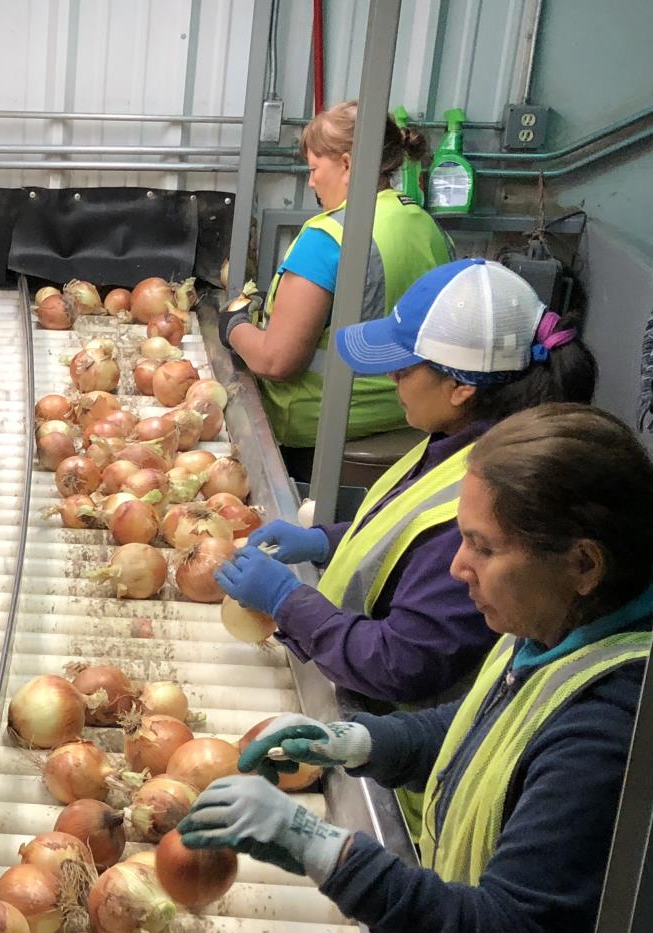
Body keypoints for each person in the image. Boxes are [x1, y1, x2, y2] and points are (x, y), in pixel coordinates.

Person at [179, 404, 653, 933]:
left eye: (484, 547)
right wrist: (366, 743)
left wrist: (319, 847)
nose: (458, 568)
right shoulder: (555, 625)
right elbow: (488, 731)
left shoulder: (611, 724)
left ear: (582, 564)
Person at [215, 260, 596, 703]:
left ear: (461, 388)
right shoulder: (454, 440)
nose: (392, 378)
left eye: (404, 369)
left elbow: (403, 663)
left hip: (386, 729)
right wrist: (326, 541)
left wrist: (288, 602)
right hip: (345, 672)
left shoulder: (490, 503)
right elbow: (404, 540)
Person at [221, 101, 453, 476]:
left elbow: (275, 361)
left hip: (319, 423)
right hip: (410, 412)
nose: (311, 182)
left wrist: (233, 326)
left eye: (314, 169)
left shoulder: (328, 236)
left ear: (347, 165)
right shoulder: (423, 223)